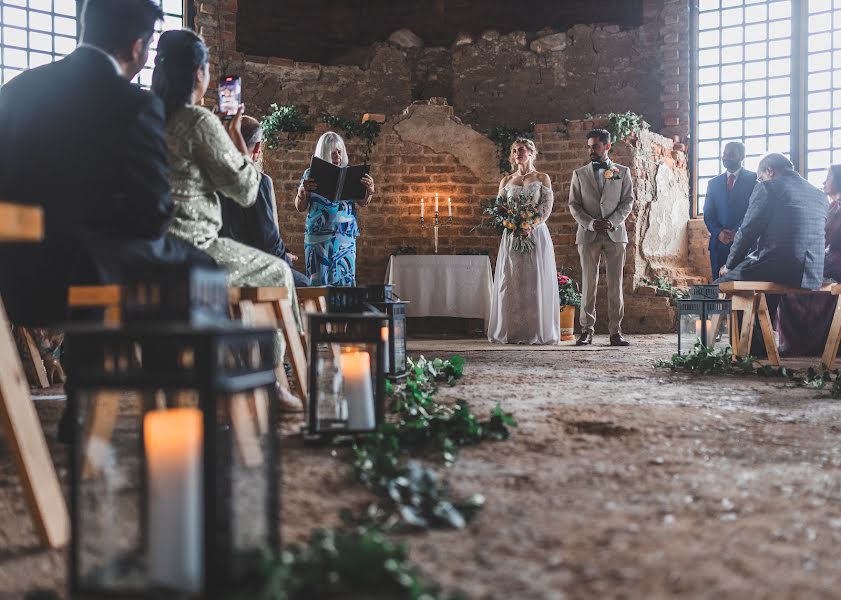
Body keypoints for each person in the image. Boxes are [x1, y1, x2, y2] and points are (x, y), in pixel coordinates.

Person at [0, 0, 215, 327]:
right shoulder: (134, 105)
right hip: (84, 280)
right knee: (204, 268)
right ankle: (164, 377)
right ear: (137, 47)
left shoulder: (14, 91)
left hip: (14, 280)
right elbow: (152, 216)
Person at [151, 29, 304, 409]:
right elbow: (246, 191)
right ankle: (270, 377)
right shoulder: (198, 121)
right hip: (194, 247)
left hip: (149, 247)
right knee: (279, 273)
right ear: (199, 73)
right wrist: (235, 134)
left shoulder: (148, 116)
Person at [219, 116, 310, 287]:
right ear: (258, 147)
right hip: (248, 269)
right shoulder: (257, 180)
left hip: (214, 267)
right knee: (308, 286)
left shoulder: (208, 177)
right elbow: (266, 240)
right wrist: (285, 259)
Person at [487, 138, 560, 344]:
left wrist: (530, 225)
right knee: (512, 279)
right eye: (514, 151)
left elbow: (546, 207)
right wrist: (512, 223)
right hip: (512, 234)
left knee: (534, 278)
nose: (517, 153)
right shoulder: (506, 181)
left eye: (521, 150)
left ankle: (536, 331)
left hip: (535, 233)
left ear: (531, 152)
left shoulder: (542, 178)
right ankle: (511, 330)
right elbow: (499, 209)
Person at [719, 153, 827, 289]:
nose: (760, 182)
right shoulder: (820, 196)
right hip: (812, 275)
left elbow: (747, 233)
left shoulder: (768, 188)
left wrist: (729, 266)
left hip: (777, 269)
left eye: (760, 178)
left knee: (714, 287)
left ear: (770, 171)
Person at [568, 129, 635, 347]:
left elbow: (628, 202)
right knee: (588, 283)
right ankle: (586, 331)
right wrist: (589, 223)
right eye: (589, 146)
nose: (591, 150)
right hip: (588, 235)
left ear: (607, 146)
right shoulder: (579, 174)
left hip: (615, 235)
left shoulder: (622, 172)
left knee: (615, 284)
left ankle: (616, 332)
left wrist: (613, 221)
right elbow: (574, 205)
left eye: (595, 146)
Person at [776, 164, 841, 355]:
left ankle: (808, 343)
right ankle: (799, 342)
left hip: (836, 262)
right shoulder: (830, 206)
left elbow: (831, 240)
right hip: (827, 259)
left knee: (794, 279)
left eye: (828, 177)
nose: (823, 181)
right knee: (790, 277)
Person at [295, 132, 375, 286]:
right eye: (332, 153)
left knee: (345, 281)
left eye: (339, 152)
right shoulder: (310, 174)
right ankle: (318, 311)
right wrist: (302, 191)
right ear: (324, 153)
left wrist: (369, 190)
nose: (337, 156)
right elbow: (300, 207)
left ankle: (344, 311)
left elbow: (363, 202)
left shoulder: (350, 174)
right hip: (317, 238)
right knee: (318, 283)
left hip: (345, 237)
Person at [703, 141, 756, 281]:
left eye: (731, 154)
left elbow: (754, 211)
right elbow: (708, 213)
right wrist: (718, 232)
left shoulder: (754, 180)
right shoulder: (713, 183)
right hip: (718, 245)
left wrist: (736, 232)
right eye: (724, 154)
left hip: (744, 245)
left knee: (743, 291)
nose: (726, 158)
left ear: (742, 156)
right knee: (718, 288)